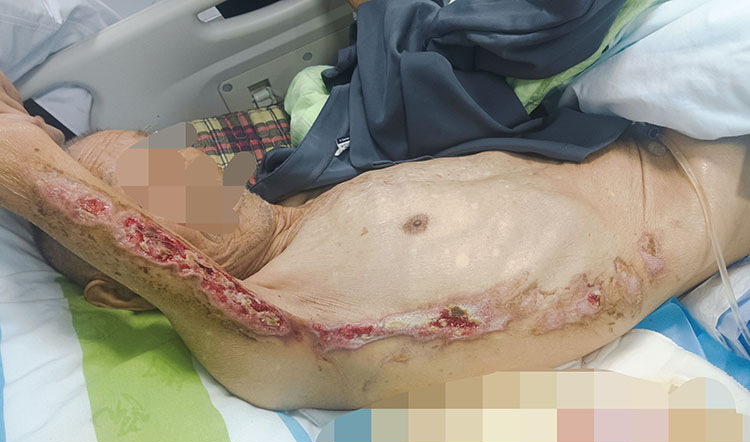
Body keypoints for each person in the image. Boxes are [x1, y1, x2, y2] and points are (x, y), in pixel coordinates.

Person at [1, 71, 749, 411]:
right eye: (143, 183)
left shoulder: (319, 201)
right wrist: (23, 151)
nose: (185, 166)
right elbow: (59, 196)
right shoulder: (269, 331)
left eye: (161, 151)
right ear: (120, 280)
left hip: (686, 122)